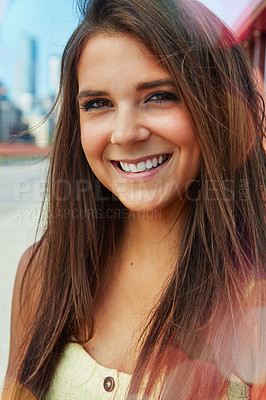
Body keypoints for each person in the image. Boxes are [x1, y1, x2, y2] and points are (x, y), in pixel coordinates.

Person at [2, 0, 265, 399]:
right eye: (98, 103)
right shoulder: (41, 273)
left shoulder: (254, 291)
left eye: (159, 96)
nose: (125, 134)